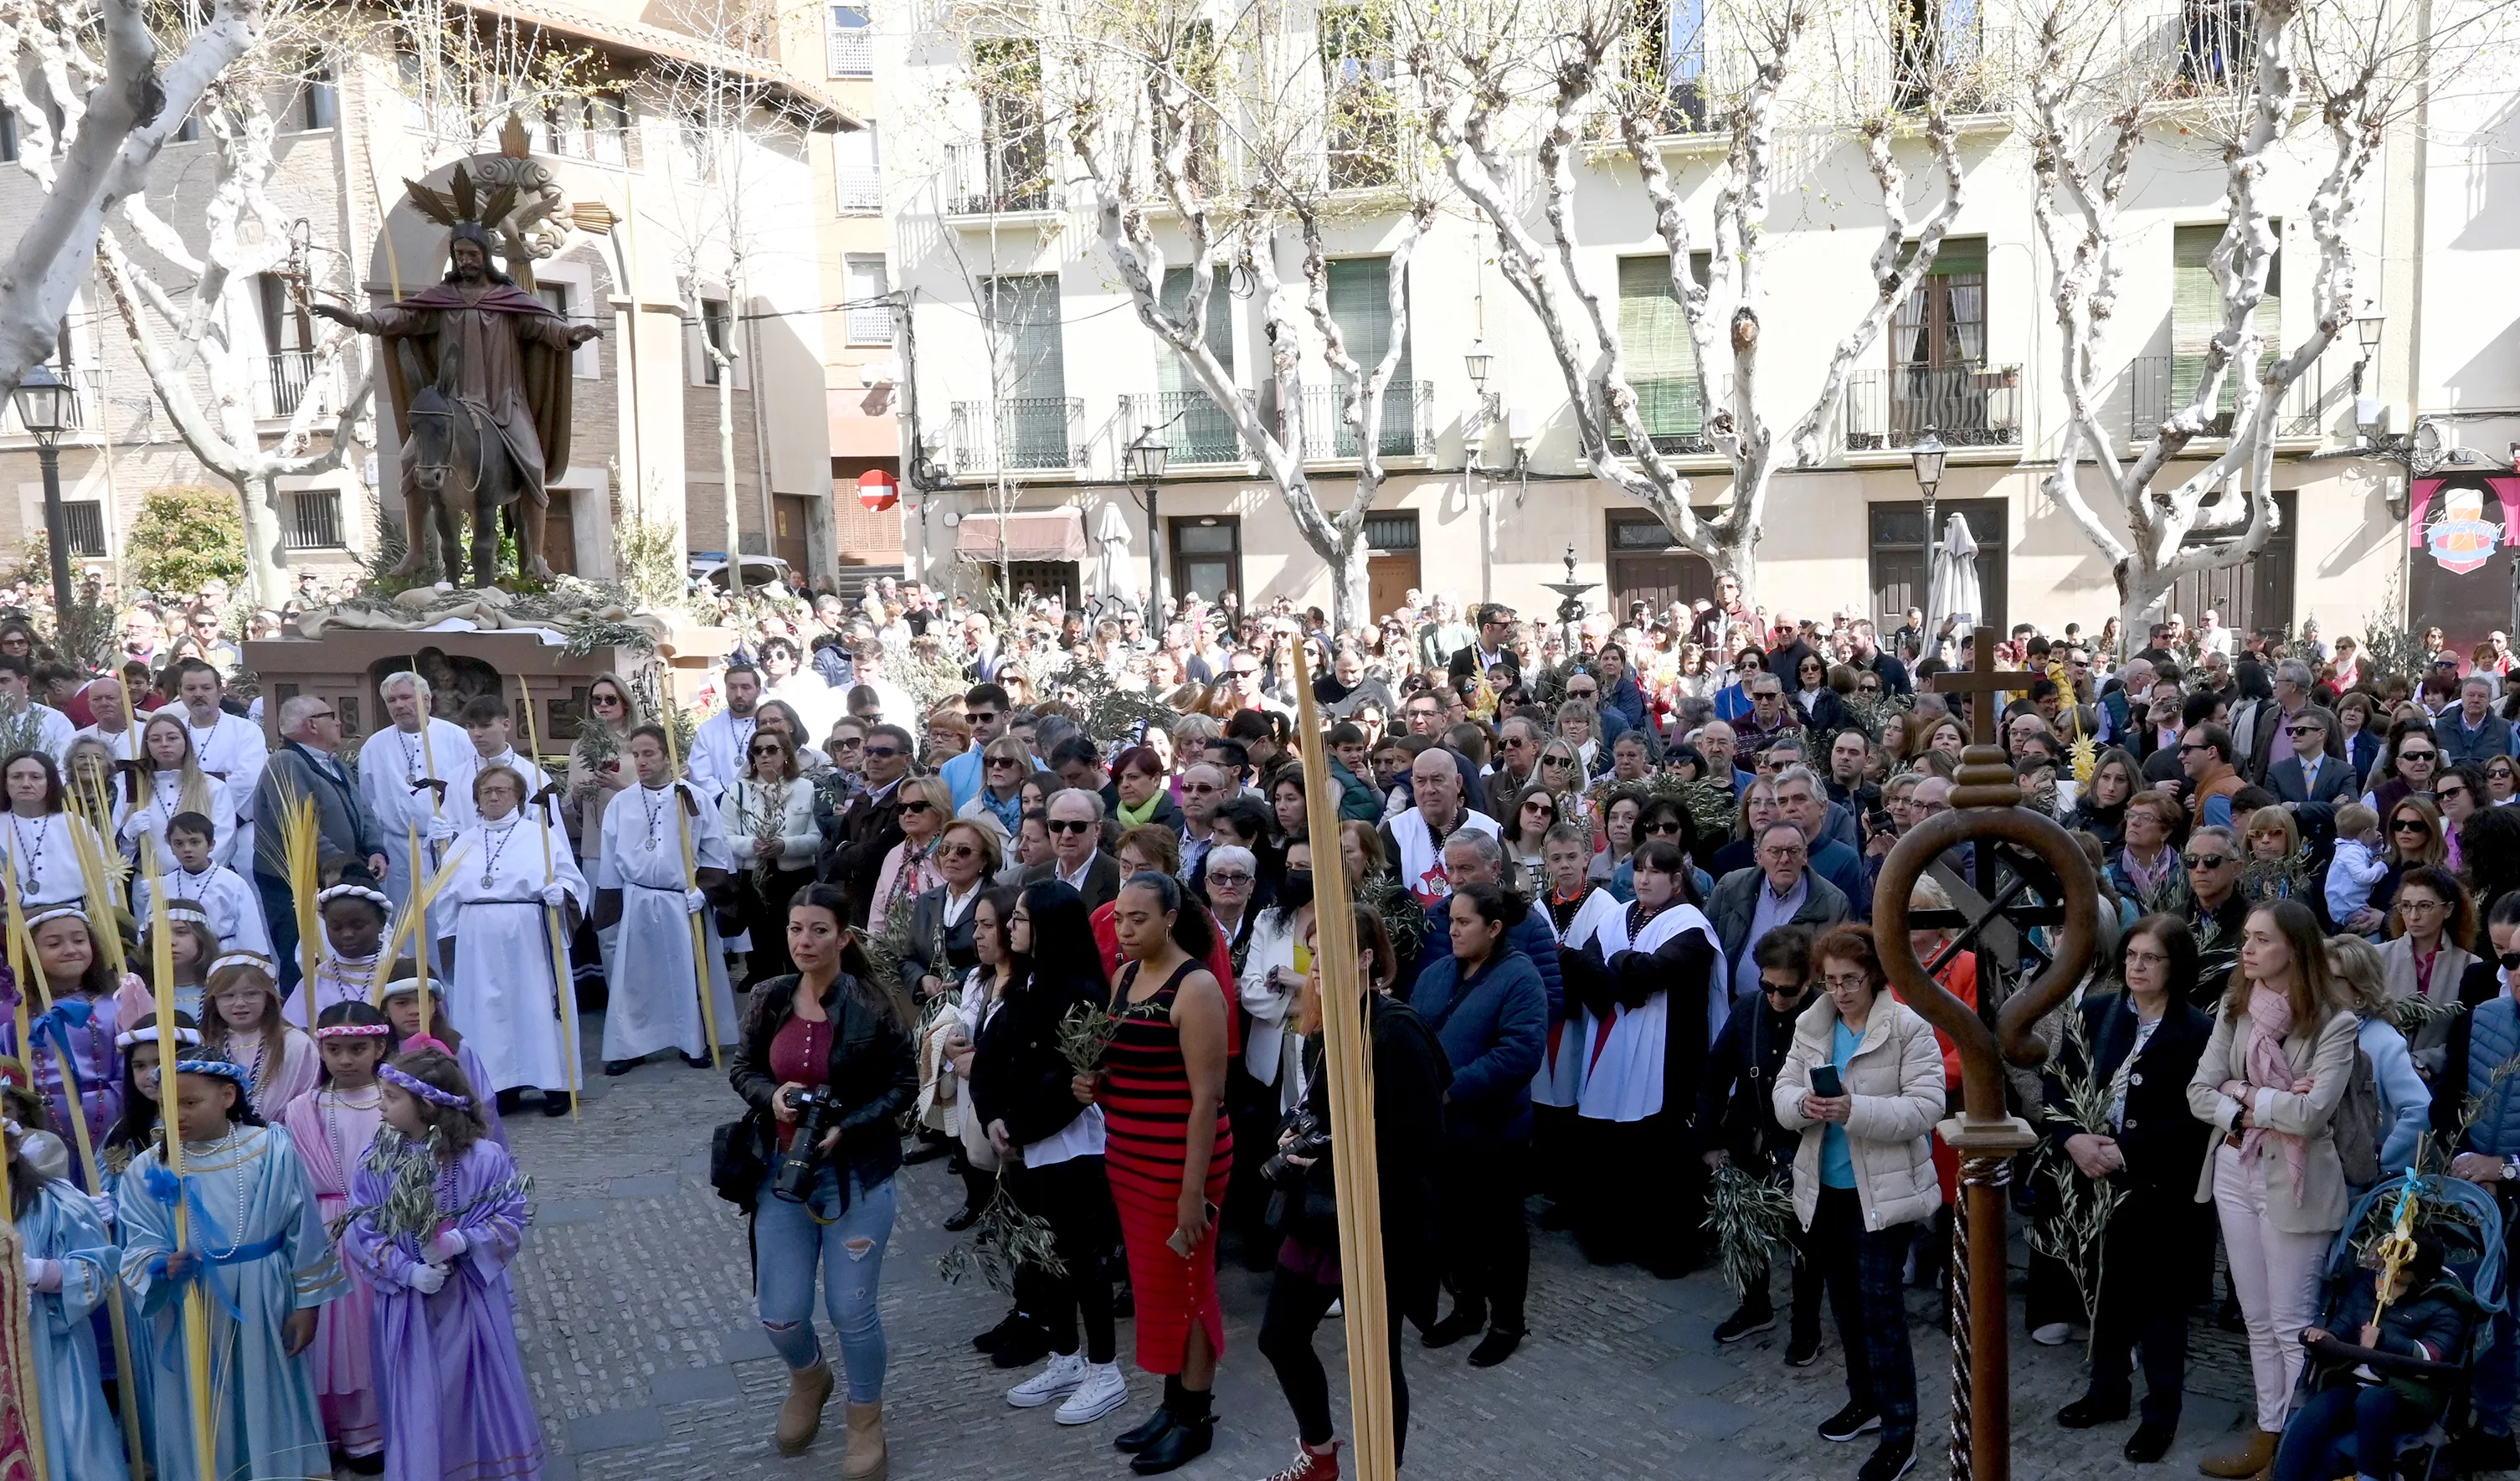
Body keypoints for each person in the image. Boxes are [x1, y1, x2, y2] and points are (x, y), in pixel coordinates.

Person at [1255, 902, 1448, 1481]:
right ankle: (1320, 1456)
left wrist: (1337, 1151)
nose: (1317, 965)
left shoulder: (1395, 1029)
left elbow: (1423, 1140)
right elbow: (1317, 1106)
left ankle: (1382, 1473)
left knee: (1376, 1362)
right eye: (1314, 952)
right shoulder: (1326, 1025)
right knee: (1280, 1336)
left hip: (1375, 1219)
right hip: (1320, 1215)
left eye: (1332, 952)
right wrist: (1295, 1133)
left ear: (1366, 958)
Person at [727, 881, 914, 1475]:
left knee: (851, 1309)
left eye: (818, 930)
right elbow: (743, 1067)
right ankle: (810, 1379)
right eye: (795, 928)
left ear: (844, 937)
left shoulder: (871, 1004)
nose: (804, 940)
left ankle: (866, 1419)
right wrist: (771, 1093)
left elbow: (904, 1086)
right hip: (782, 1173)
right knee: (780, 1313)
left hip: (856, 1173)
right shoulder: (770, 995)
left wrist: (847, 1127)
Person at [2187, 899, 2359, 1479]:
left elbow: (2312, 1116)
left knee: (2293, 1323)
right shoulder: (2235, 1007)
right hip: (2236, 1166)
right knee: (2257, 1319)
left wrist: (2245, 1092)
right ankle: (2267, 1433)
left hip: (2299, 1184)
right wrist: (2246, 1107)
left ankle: (2297, 1445)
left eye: (2262, 939)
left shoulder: (2336, 1022)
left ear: (2295, 947)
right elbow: (2198, 1090)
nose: (2248, 949)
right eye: (2247, 938)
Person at [118, 1052, 344, 1481]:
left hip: (264, 1294)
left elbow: (303, 1229)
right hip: (194, 1304)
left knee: (268, 1391)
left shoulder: (270, 1148)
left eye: (191, 1102)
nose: (178, 1114)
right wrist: (159, 1264)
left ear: (227, 1095)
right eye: (169, 1103)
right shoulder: (151, 1167)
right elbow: (138, 1237)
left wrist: (307, 1303)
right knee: (204, 1399)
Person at [1773, 924, 1945, 1481]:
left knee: (1883, 1315)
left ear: (1873, 974)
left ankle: (1902, 1433)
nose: (1840, 990)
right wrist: (1806, 1103)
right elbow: (1781, 1095)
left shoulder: (1906, 1026)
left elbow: (1925, 1108)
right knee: (1845, 1306)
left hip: (1883, 1193)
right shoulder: (1813, 1024)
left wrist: (1855, 1109)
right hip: (1826, 1189)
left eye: (1850, 979)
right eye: (1830, 980)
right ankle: (1865, 1401)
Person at [2040, 915, 2214, 1463]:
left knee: (2161, 1306)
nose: (2138, 966)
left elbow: (2199, 1116)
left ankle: (2161, 1413)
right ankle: (2107, 1390)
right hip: (2095, 1177)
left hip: (2162, 1187)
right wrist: (2072, 1138)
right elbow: (2056, 1084)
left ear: (2175, 966)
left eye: (2151, 958)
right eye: (2133, 955)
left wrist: (2133, 1149)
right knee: (2106, 1292)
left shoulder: (2198, 1031)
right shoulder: (2096, 1013)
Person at [1085, 872, 1234, 1474]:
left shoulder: (1195, 986)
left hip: (1182, 1163)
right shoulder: (1123, 977)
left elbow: (1207, 1098)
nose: (1124, 929)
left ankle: (1195, 1417)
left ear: (1170, 918)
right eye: (1119, 918)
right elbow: (1126, 1069)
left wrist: (1192, 1193)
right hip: (1130, 1156)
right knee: (1158, 1287)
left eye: (1137, 918)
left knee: (1192, 1286)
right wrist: (1094, 1083)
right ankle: (1173, 1404)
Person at [342, 1045, 542, 1481]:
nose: (381, 1104)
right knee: (419, 1392)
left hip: (471, 1304)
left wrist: (462, 1240)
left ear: (427, 1104)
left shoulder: (484, 1159)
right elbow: (363, 1228)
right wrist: (406, 1269)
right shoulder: (378, 1161)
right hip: (408, 1306)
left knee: (473, 1388)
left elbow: (511, 1216)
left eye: (392, 1098)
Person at [975, 882, 1129, 1423]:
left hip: (1068, 1145)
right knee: (1046, 1256)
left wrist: (1017, 1125)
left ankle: (1105, 1367)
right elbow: (990, 1057)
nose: (1010, 927)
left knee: (1082, 1257)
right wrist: (991, 1113)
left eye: (1019, 919)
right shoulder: (1021, 982)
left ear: (1046, 925)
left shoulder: (1082, 989)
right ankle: (1065, 1355)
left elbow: (1070, 1076)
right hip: (1022, 1143)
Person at [1558, 841, 1725, 1278]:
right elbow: (1582, 967)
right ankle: (1610, 1239)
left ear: (1676, 879)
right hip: (1611, 1048)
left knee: (1661, 1153)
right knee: (1609, 1147)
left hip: (1669, 1059)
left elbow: (1656, 971)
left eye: (1656, 871)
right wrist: (1619, 970)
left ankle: (1665, 1248)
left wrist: (1615, 965)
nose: (1645, 879)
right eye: (1639, 870)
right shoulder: (1617, 915)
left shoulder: (1691, 925)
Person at [1410, 881, 1547, 1367]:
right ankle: (1467, 1308)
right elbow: (1415, 1030)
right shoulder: (1439, 972)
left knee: (1500, 1233)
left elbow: (1520, 1053)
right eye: (1451, 921)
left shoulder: (1520, 978)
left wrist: (1452, 1087)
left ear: (1494, 928)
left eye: (1464, 922)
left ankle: (1507, 1321)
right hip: (1441, 1132)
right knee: (1451, 1228)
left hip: (1494, 1133)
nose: (1453, 930)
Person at [276, 1000, 396, 1472]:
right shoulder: (301, 1109)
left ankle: (375, 1432)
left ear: (379, 1047)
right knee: (333, 1337)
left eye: (357, 1048)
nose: (346, 1059)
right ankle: (330, 1430)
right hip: (325, 1229)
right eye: (335, 1049)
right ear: (320, 1050)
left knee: (374, 1335)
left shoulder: (394, 1099)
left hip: (387, 1228)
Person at [1700, 924, 1824, 1357]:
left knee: (1806, 1245)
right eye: (1767, 985)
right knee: (1746, 1232)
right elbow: (1715, 1076)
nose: (1775, 997)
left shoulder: (1826, 1020)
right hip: (1749, 1139)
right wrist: (1708, 1141)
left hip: (1807, 1148)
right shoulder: (1748, 1010)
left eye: (1786, 991)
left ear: (1808, 981)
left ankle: (1807, 1326)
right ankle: (1755, 1308)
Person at [438, 763, 587, 1116]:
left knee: (534, 1004)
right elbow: (444, 895)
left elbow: (571, 881)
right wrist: (449, 940)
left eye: (501, 790)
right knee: (489, 1013)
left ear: (518, 796)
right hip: (478, 937)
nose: (493, 796)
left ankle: (553, 1083)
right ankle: (501, 1085)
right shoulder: (463, 842)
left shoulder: (540, 837)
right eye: (486, 791)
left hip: (529, 933)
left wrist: (559, 894)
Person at [2272, 1227, 2478, 1481]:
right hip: (2355, 1383)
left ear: (2423, 1283)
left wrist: (2385, 1341)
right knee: (2315, 1414)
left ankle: (2371, 1475)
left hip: (2406, 1393)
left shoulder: (2444, 1307)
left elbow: (2432, 1355)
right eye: (2383, 1276)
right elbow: (2345, 1323)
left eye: (2399, 1283)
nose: (2386, 1286)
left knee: (2372, 1403)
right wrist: (2328, 1337)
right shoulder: (2367, 1290)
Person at [594, 723, 738, 1076]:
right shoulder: (621, 803)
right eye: (636, 754)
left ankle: (693, 1039)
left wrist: (702, 891)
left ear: (668, 756)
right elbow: (610, 859)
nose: (640, 762)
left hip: (681, 901)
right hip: (638, 899)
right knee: (636, 977)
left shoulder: (694, 799)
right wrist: (610, 909)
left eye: (649, 754)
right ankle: (631, 1045)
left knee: (685, 972)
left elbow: (716, 852)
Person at [252, 696, 386, 995]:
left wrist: (375, 848)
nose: (339, 722)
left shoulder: (332, 763)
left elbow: (362, 810)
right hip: (300, 886)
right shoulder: (285, 763)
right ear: (312, 724)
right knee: (306, 964)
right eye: (331, 716)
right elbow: (299, 823)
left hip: (341, 878)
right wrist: (346, 867)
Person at [358, 670, 470, 964]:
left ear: (427, 701)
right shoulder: (375, 746)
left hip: (447, 848)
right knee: (405, 924)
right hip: (397, 849)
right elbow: (368, 801)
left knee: (447, 921)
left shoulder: (458, 739)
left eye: (406, 697)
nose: (399, 705)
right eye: (392, 700)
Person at [723, 728, 820, 987]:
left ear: (786, 754)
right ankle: (768, 995)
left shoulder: (807, 788)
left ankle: (801, 990)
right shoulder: (737, 790)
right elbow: (724, 836)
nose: (764, 755)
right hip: (754, 877)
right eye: (757, 751)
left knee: (797, 937)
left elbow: (817, 837)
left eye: (772, 749)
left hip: (795, 877)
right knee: (762, 940)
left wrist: (784, 845)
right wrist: (751, 845)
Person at [202, 950, 320, 1117]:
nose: (240, 1003)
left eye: (251, 994)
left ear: (268, 996)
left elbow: (308, 1101)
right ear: (214, 1001)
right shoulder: (206, 1045)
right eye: (228, 996)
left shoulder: (295, 1044)